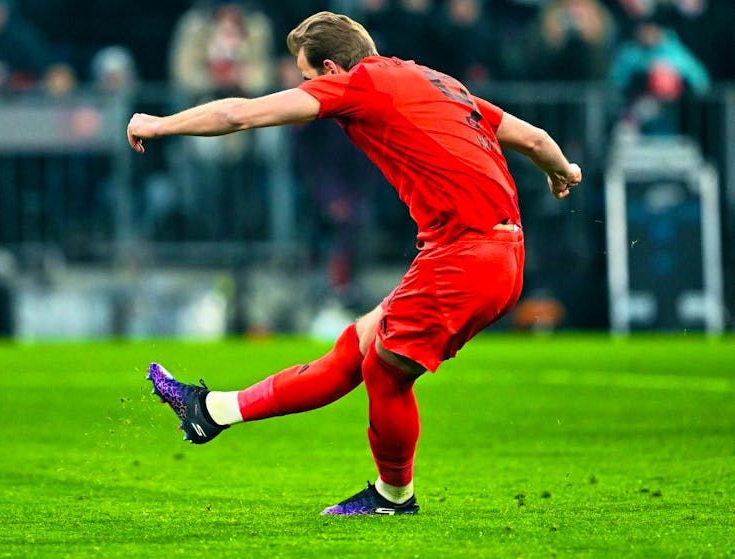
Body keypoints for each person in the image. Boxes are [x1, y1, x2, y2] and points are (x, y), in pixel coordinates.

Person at [127, 11, 582, 516]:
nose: (306, 90)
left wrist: (159, 124)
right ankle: (211, 411)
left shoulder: (359, 84)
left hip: (466, 255)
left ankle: (393, 498)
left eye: (306, 78)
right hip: (496, 253)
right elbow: (537, 140)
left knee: (385, 373)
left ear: (330, 68)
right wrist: (563, 172)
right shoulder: (438, 81)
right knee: (356, 348)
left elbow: (240, 114)